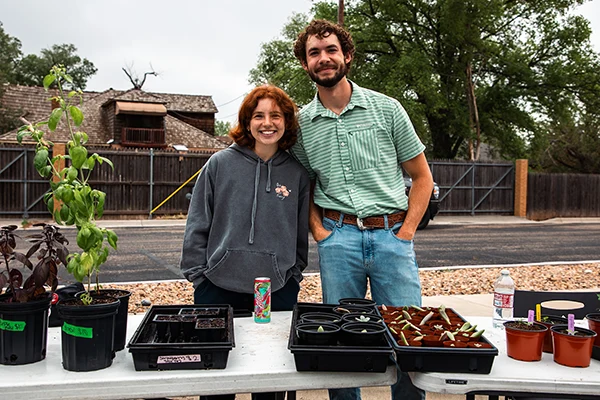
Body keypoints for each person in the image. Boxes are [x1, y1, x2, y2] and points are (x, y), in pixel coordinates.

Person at [290, 19, 434, 400]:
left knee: (408, 338)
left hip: (392, 237)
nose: (324, 58)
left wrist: (405, 234)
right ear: (305, 64)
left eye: (331, 50)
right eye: (314, 53)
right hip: (339, 241)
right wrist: (321, 233)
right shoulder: (301, 125)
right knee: (340, 344)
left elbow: (422, 178)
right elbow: (303, 186)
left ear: (347, 55)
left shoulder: (387, 110)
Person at [180, 85, 310, 400]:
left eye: (276, 116)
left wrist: (292, 275)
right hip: (217, 286)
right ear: (247, 121)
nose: (267, 123)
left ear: (287, 122)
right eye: (259, 116)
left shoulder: (296, 174)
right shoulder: (219, 164)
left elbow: (299, 235)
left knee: (270, 379)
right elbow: (198, 221)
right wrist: (199, 275)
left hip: (272, 290)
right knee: (218, 381)